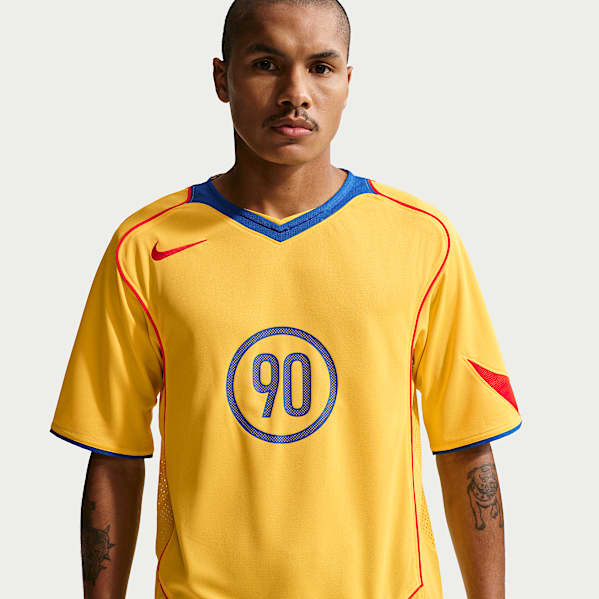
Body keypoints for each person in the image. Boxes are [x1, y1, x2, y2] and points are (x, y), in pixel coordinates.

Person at [49, 1, 522, 597]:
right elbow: (114, 454)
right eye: (266, 64)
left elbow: (466, 449)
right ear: (222, 78)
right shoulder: (145, 247)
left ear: (348, 81)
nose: (295, 93)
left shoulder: (424, 241)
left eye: (320, 67)